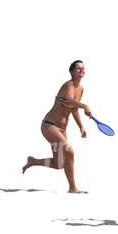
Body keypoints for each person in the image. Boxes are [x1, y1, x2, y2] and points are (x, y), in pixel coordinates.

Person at [22, 60, 92, 194]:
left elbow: (73, 109)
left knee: (59, 164)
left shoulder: (80, 89)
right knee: (69, 151)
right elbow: (68, 101)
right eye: (78, 68)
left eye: (83, 68)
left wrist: (81, 127)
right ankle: (73, 188)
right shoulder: (68, 85)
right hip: (49, 126)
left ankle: (33, 161)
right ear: (71, 71)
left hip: (62, 129)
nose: (82, 70)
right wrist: (85, 106)